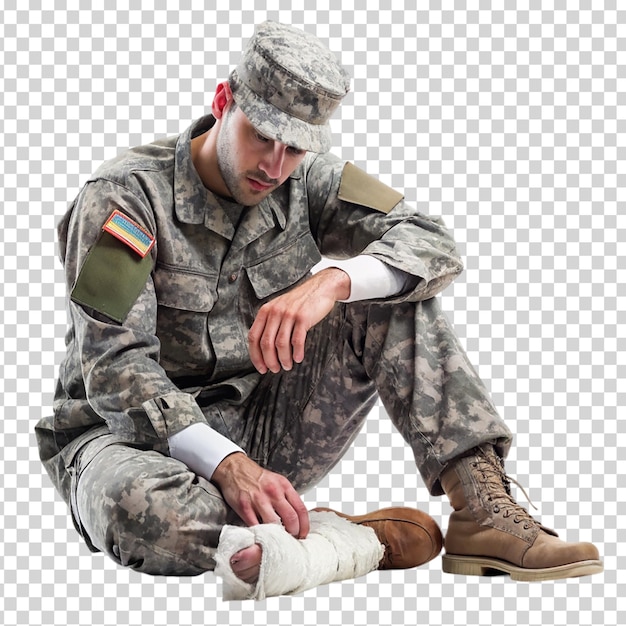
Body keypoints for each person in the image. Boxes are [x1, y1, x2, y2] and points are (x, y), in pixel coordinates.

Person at [36, 21, 602, 599]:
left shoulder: (306, 180)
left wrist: (333, 279)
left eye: (296, 147)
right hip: (126, 442)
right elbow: (113, 364)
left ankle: (481, 510)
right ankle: (342, 541)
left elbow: (432, 242)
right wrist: (227, 465)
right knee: (145, 517)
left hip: (263, 421)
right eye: (261, 136)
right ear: (222, 101)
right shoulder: (126, 195)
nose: (274, 166)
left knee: (384, 295)